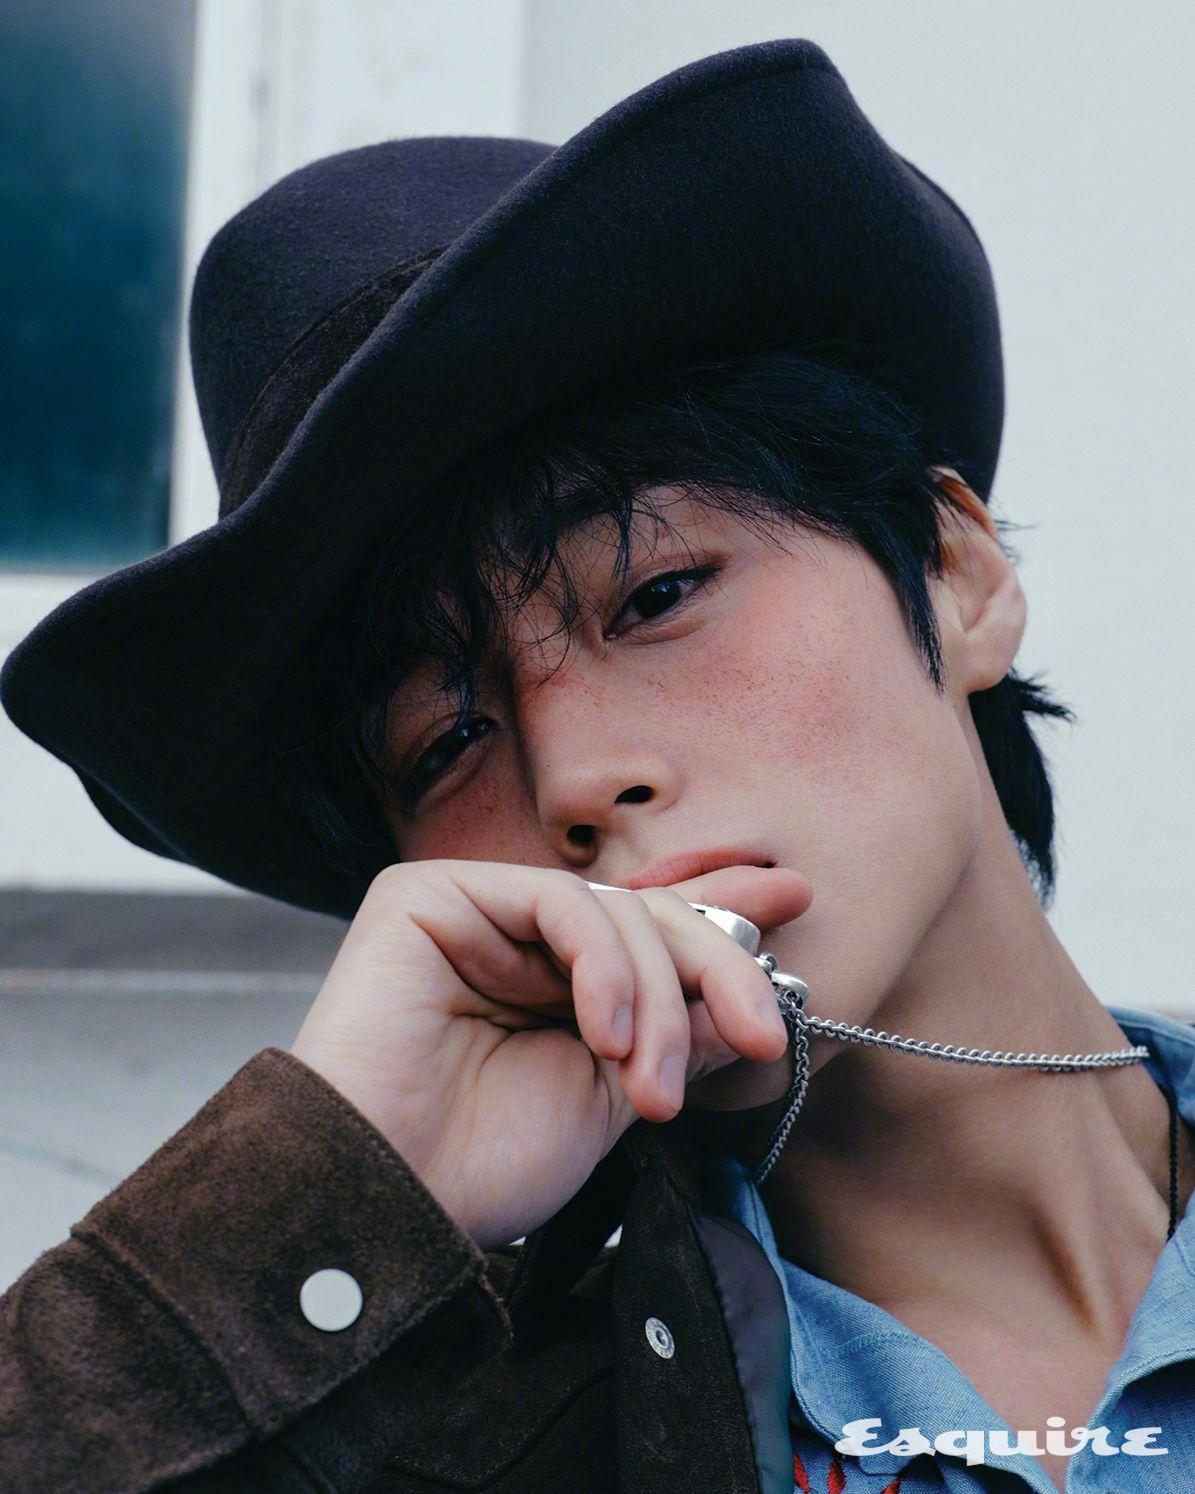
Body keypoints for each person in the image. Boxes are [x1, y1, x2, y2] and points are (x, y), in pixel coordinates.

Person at [2, 36, 1192, 1494]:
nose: (573, 777)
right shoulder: (466, 1445)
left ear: (956, 573)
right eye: (448, 739)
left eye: (658, 593)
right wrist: (327, 1194)